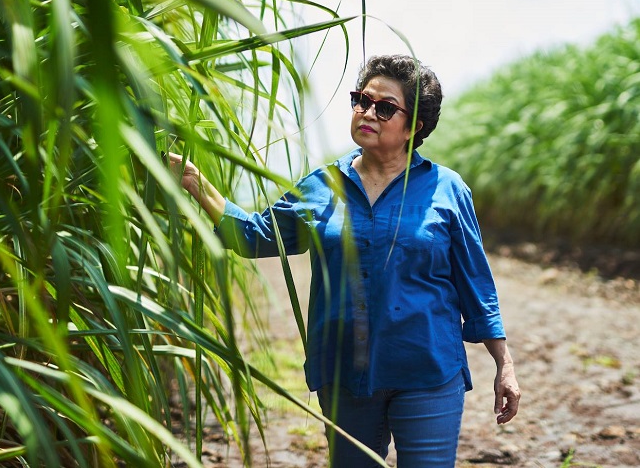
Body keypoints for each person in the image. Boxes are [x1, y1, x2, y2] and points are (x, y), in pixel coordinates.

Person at [169, 54, 520, 467]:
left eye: (385, 108)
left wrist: (504, 365)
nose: (367, 112)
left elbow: (476, 284)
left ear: (415, 126)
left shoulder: (446, 189)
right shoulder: (321, 186)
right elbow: (255, 237)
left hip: (427, 371)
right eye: (361, 100)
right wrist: (197, 184)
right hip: (345, 374)